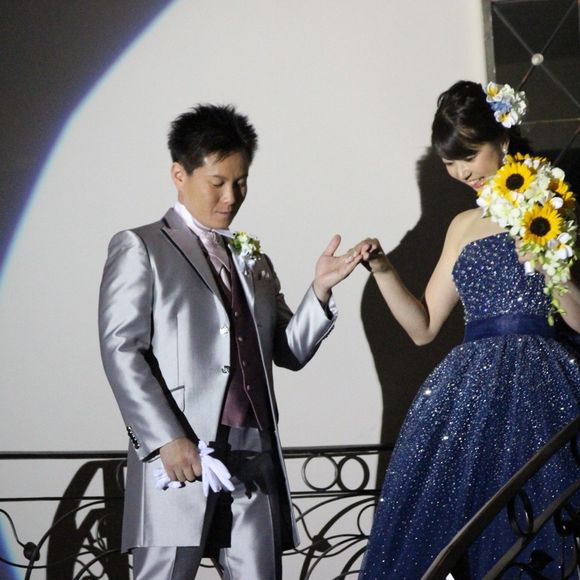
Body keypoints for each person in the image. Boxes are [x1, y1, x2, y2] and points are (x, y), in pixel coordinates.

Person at [98, 104, 361, 580]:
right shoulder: (141, 246)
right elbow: (123, 351)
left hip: (254, 451)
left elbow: (288, 351)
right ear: (179, 175)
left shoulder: (251, 257)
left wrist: (320, 291)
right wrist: (166, 440)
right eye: (217, 182)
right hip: (180, 453)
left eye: (241, 182)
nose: (231, 196)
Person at [354, 81, 580, 578]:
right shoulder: (461, 225)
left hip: (539, 388)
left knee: (537, 522)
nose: (461, 172)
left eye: (468, 156)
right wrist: (382, 268)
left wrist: (544, 258)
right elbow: (423, 327)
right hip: (469, 392)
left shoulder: (551, 207)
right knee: (458, 534)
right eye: (450, 163)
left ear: (503, 140)